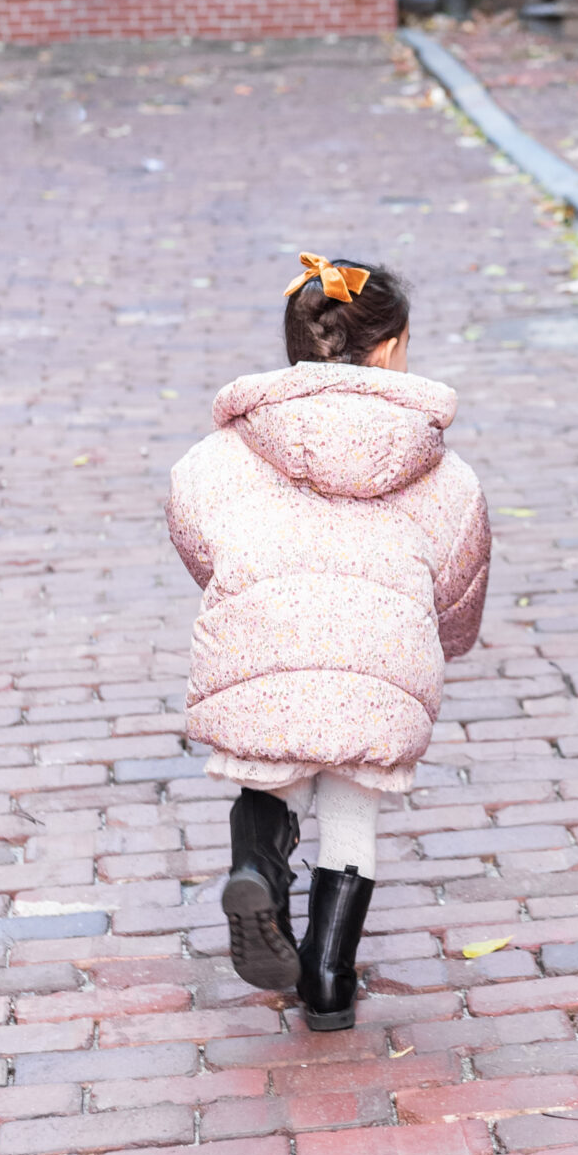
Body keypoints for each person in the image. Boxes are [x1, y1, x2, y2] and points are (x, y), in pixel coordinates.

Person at [167, 253, 489, 1030]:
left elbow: (198, 547)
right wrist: (442, 639)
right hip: (380, 661)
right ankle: (330, 978)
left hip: (263, 643)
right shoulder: (448, 477)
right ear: (388, 349)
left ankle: (257, 869)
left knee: (268, 764)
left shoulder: (214, 459)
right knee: (353, 803)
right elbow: (458, 591)